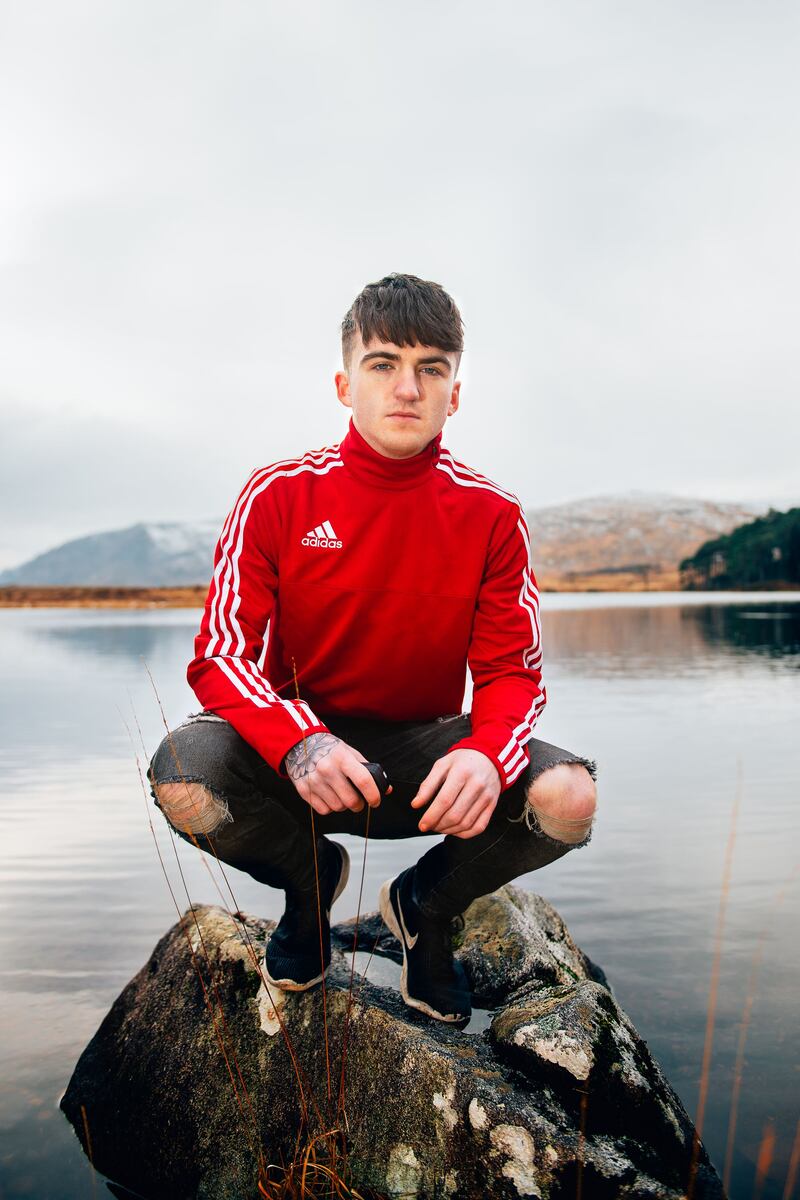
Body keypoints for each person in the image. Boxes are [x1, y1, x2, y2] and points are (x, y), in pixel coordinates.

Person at [148, 273, 597, 1027]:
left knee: (568, 798)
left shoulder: (490, 514)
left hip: (423, 763)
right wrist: (299, 743)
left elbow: (510, 672)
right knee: (183, 778)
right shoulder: (279, 494)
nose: (407, 387)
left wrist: (487, 753)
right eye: (384, 363)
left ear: (455, 392)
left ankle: (426, 906)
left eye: (432, 368)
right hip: (301, 761)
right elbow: (220, 654)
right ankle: (310, 886)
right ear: (344, 383)